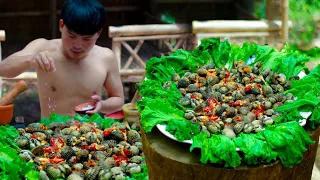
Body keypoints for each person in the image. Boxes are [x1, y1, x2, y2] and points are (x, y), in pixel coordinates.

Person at [0, 0, 124, 118]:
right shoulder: (42, 47)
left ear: (98, 33)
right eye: (71, 36)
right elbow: (3, 69)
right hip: (49, 133)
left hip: (90, 134)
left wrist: (102, 105)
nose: (77, 45)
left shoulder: (106, 57)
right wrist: (31, 60)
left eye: (86, 39)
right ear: (61, 25)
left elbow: (118, 99)